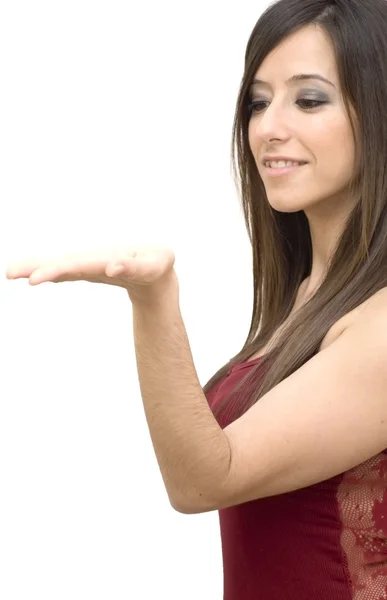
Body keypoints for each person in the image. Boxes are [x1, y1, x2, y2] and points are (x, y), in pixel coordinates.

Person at [5, 0, 387, 598]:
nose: (268, 127)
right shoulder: (311, 300)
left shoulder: (381, 323)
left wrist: (154, 297)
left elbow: (204, 479)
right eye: (258, 101)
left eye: (309, 100)